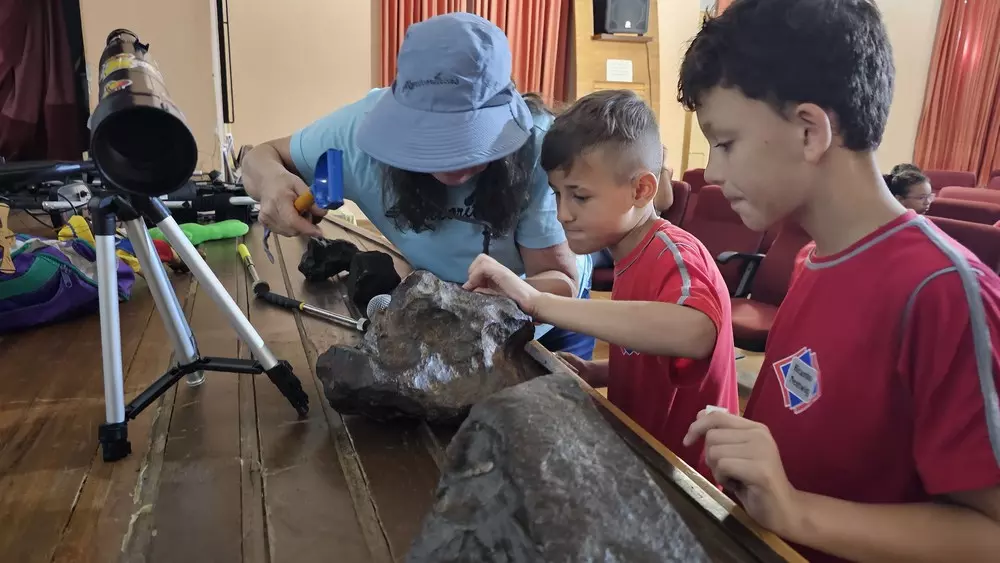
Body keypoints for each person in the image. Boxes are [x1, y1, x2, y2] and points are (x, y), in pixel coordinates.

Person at [676, 0, 1000, 561]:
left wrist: (798, 512)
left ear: (809, 131)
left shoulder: (941, 289)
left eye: (725, 143)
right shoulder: (811, 259)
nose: (715, 171)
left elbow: (990, 533)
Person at [241, 12, 595, 359]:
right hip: (443, 309)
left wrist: (487, 301)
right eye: (434, 139)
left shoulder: (538, 149)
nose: (454, 160)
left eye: (469, 139)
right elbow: (260, 156)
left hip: (541, 322)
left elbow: (558, 282)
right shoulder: (355, 135)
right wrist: (272, 182)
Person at [463, 89, 739, 478]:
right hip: (640, 458)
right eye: (558, 194)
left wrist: (535, 300)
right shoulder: (627, 254)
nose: (563, 214)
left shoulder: (675, 253)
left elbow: (695, 333)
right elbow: (659, 354)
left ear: (640, 190)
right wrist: (603, 373)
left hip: (686, 479)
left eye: (579, 196)